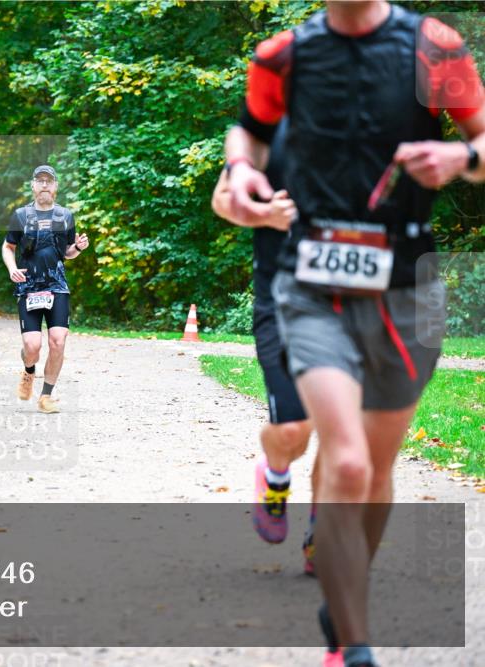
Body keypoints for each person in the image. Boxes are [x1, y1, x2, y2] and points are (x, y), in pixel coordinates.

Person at [224, 2, 484, 666]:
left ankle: (342, 597)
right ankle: (352, 643)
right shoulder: (283, 55)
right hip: (311, 289)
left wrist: (460, 155)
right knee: (344, 459)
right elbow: (246, 138)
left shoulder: (434, 47)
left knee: (375, 469)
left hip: (407, 288)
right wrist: (241, 177)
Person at [211, 120, 318, 570]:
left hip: (352, 301)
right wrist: (264, 215)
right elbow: (221, 200)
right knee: (294, 430)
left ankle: (323, 537)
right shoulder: (269, 128)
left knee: (339, 427)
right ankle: (274, 477)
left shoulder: (374, 117)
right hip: (282, 300)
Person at [1, 165, 89, 414]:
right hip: (28, 287)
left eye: (48, 181)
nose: (44, 185)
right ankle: (29, 371)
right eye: (39, 181)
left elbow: (67, 254)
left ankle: (46, 396)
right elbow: (8, 247)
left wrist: (79, 248)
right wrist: (12, 269)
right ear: (33, 185)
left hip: (57, 287)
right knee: (32, 347)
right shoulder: (21, 215)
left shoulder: (65, 216)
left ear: (55, 186)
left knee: (58, 341)